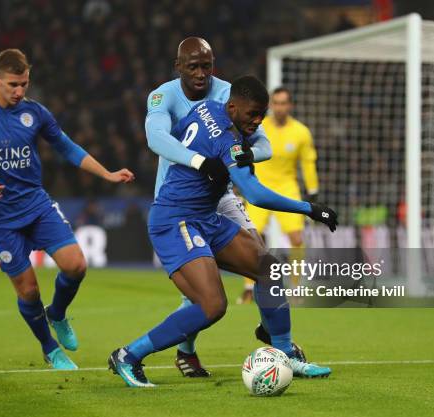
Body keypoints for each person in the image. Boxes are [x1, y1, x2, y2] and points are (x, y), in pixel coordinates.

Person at [108, 75, 337, 387]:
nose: (257, 121)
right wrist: (311, 208)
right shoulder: (226, 138)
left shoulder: (208, 109)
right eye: (251, 114)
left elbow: (189, 138)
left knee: (268, 268)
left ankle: (286, 354)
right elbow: (254, 194)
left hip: (204, 216)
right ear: (233, 107)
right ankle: (129, 355)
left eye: (261, 115)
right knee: (212, 305)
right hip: (176, 221)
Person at [0, 49, 134, 370]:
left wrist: (107, 173)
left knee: (76, 265)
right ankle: (50, 348)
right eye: (13, 85)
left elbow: (67, 147)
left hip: (37, 205)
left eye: (24, 84)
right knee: (28, 289)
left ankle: (56, 313)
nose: (19, 92)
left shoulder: (35, 113)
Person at [144, 37, 277, 377]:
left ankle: (277, 339)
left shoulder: (228, 93)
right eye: (193, 66)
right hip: (179, 202)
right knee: (204, 288)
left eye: (206, 65)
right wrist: (200, 161)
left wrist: (248, 155)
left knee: (263, 263)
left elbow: (263, 143)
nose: (201, 73)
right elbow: (156, 138)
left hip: (221, 196)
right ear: (179, 67)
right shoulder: (163, 96)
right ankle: (185, 351)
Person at [238, 87, 319, 304]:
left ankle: (295, 288)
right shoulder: (258, 127)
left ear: (290, 106)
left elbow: (308, 163)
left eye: (284, 103)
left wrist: (313, 191)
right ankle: (249, 287)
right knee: (251, 238)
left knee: (297, 238)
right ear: (271, 105)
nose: (280, 107)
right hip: (259, 188)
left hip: (286, 187)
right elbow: (242, 151)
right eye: (276, 103)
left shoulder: (301, 132)